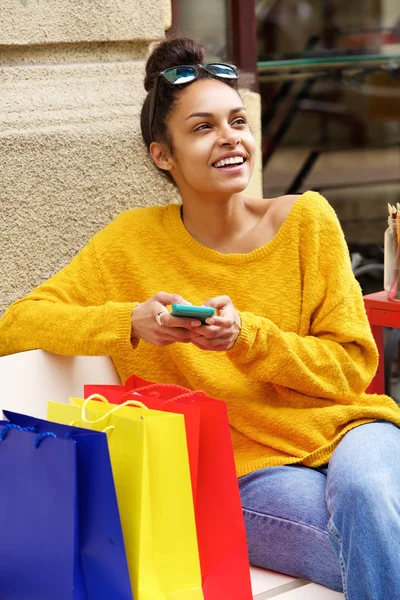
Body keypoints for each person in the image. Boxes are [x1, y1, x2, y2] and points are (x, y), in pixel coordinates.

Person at [1, 36, 400, 599]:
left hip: (352, 430)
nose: (230, 138)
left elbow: (350, 369)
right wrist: (129, 323)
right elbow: (15, 324)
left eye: (237, 120)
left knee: (370, 500)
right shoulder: (131, 242)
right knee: (379, 539)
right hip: (246, 471)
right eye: (202, 127)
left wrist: (249, 337)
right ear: (162, 155)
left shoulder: (308, 220)